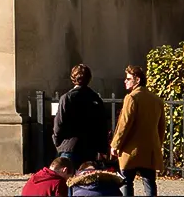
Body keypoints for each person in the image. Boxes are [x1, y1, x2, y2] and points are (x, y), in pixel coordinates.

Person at [110, 65, 166, 197]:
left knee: (126, 182)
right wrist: (158, 145)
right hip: (149, 150)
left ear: (137, 80)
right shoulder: (157, 100)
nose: (125, 81)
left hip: (131, 150)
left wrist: (115, 144)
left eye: (129, 79)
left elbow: (124, 124)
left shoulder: (132, 98)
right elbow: (161, 127)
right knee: (149, 183)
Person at [53, 63, 110, 165]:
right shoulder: (95, 98)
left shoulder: (67, 98)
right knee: (86, 179)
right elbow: (102, 125)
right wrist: (102, 148)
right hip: (90, 147)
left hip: (70, 146)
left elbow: (59, 123)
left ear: (73, 78)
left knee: (68, 178)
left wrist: (57, 142)